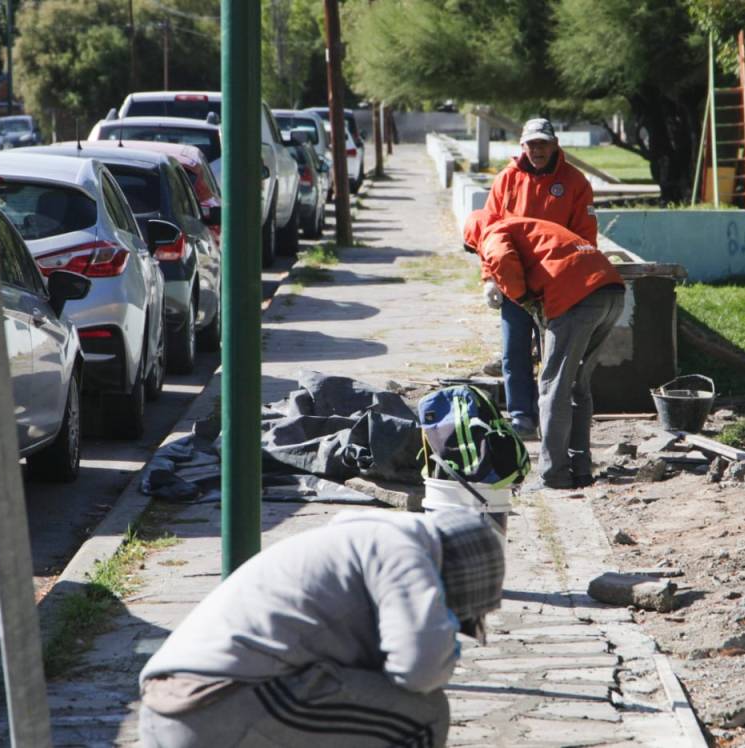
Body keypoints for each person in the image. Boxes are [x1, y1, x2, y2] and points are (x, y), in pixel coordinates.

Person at [138, 509, 505, 748]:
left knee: (353, 704)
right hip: (214, 707)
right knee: (423, 714)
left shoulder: (350, 542)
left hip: (169, 709)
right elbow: (420, 669)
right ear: (451, 580)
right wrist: (443, 635)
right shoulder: (400, 549)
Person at [465, 208, 624, 490]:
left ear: (474, 234)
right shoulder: (527, 225)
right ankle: (581, 469)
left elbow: (500, 257)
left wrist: (524, 298)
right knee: (578, 385)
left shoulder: (492, 231)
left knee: (553, 386)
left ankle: (554, 476)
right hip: (610, 291)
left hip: (577, 299)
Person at [482, 117, 598, 440]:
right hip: (514, 283)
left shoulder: (575, 183)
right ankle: (521, 417)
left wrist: (580, 282)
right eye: (531, 144)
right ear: (522, 146)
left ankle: (553, 420)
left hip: (556, 285)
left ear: (554, 144)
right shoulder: (505, 181)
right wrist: (489, 278)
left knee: (556, 357)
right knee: (513, 351)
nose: (537, 150)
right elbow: (489, 233)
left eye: (543, 144)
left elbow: (585, 238)